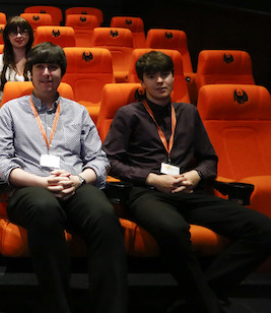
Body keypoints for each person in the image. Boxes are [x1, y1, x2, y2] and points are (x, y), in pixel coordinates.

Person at [103, 51, 271, 313]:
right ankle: (208, 305)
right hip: (147, 193)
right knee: (172, 228)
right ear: (142, 82)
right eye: (152, 76)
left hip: (188, 192)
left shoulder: (189, 113)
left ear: (174, 78)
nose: (160, 81)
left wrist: (196, 175)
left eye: (165, 74)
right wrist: (151, 178)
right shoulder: (129, 114)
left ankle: (198, 298)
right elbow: (110, 161)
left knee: (263, 229)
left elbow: (209, 160)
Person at [0, 42, 127, 313]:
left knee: (104, 215)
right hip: (30, 187)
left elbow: (99, 160)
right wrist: (41, 182)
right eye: (40, 66)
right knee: (45, 209)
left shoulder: (78, 112)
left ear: (62, 73)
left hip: (73, 184)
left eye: (53, 67)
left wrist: (77, 180)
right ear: (30, 72)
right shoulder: (11, 110)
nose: (47, 73)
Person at [0, 16, 33, 130]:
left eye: (23, 32)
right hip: (3, 116)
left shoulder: (38, 61)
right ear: (7, 36)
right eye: (14, 32)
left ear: (29, 35)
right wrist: (0, 104)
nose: (19, 36)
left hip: (33, 115)